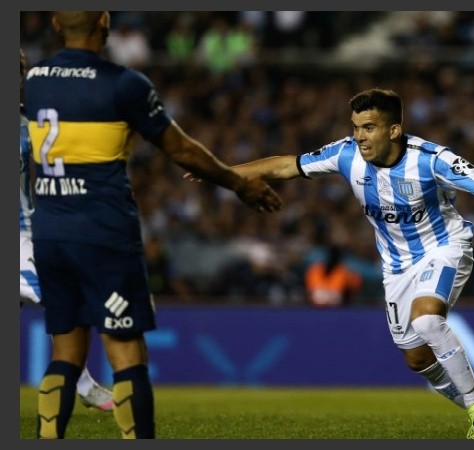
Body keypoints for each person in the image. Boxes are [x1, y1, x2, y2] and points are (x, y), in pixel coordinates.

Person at [189, 88, 474, 438]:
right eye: (355, 127)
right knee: (416, 358)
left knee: (427, 321)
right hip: (397, 266)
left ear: (394, 130)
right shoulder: (345, 154)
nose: (359, 136)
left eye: (368, 127)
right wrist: (223, 174)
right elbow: (284, 165)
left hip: (445, 247)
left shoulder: (432, 159)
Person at [24, 12, 282, 439]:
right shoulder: (123, 84)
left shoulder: (34, 80)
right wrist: (239, 183)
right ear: (104, 21)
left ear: (55, 23)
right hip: (103, 233)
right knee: (126, 354)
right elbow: (181, 150)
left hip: (49, 232)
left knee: (66, 353)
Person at [19, 47, 114, 414]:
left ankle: (82, 382)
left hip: (27, 232)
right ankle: (83, 383)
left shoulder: (30, 122)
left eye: (20, 69)